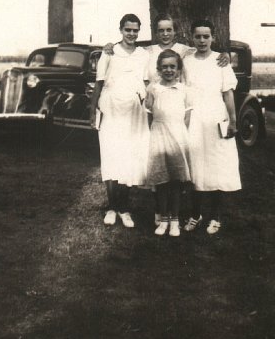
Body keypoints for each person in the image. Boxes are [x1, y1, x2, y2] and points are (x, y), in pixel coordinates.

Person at [103, 13, 230, 225]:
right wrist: (109, 45)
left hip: (179, 112)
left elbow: (206, 52)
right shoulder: (148, 51)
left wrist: (224, 53)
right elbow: (125, 50)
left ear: (175, 31)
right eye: (161, 30)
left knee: (177, 165)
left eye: (168, 30)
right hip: (155, 111)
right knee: (158, 163)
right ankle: (159, 212)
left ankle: (175, 212)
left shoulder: (185, 50)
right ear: (156, 32)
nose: (165, 34)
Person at [89, 14, 150, 228]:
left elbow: (146, 81)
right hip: (111, 108)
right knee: (111, 156)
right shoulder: (109, 52)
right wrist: (92, 111)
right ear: (121, 30)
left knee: (129, 158)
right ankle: (112, 207)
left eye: (135, 30)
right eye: (128, 30)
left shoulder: (144, 54)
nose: (131, 34)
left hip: (134, 111)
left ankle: (124, 209)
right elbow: (98, 83)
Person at [182, 19, 241, 235]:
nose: (202, 40)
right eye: (198, 36)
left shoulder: (220, 61)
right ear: (192, 37)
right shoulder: (186, 61)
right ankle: (195, 214)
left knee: (216, 165)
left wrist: (233, 121)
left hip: (216, 117)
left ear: (213, 38)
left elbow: (227, 93)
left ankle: (216, 216)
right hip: (194, 118)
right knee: (195, 166)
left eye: (206, 36)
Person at [145, 49, 192, 237]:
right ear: (158, 69)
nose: (169, 70)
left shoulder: (184, 90)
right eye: (164, 67)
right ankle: (163, 219)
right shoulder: (153, 89)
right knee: (162, 181)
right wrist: (156, 132)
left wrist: (180, 136)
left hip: (178, 137)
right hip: (158, 136)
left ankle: (175, 220)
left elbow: (187, 117)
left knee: (176, 181)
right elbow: (149, 116)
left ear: (179, 69)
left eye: (173, 66)